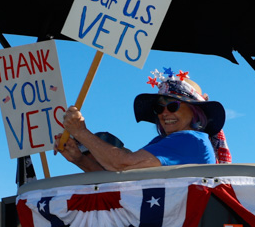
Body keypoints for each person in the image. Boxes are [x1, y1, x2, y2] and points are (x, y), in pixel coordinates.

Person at [55, 70, 228, 172]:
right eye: (159, 108)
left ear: (194, 110)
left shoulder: (190, 139)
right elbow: (120, 178)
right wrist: (79, 159)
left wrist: (81, 133)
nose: (164, 113)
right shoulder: (163, 142)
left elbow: (123, 164)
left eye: (173, 106)